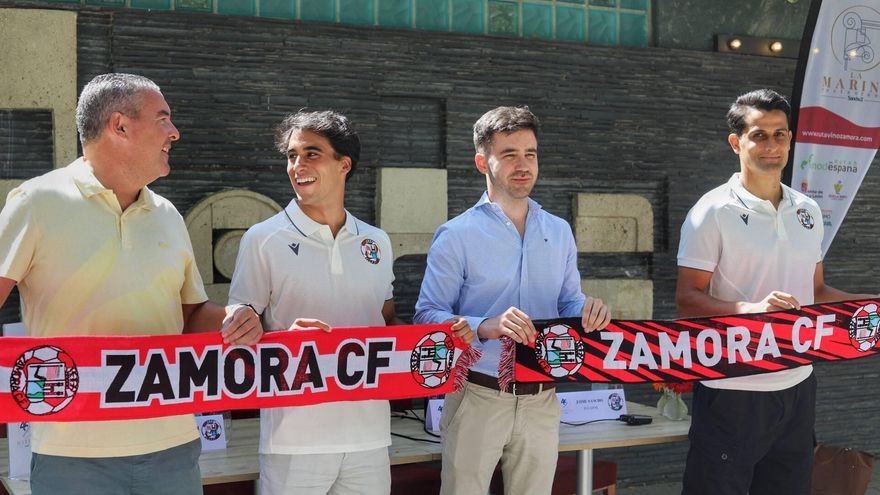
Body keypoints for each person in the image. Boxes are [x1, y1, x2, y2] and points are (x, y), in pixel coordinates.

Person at [0, 73, 263, 495]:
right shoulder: (35, 202)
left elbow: (191, 314)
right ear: (119, 126)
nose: (175, 132)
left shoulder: (169, 215)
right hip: (73, 454)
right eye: (163, 119)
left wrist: (235, 318)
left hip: (173, 446)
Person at [228, 109, 471, 495]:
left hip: (370, 438)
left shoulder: (377, 241)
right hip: (293, 440)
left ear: (344, 164)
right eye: (292, 155)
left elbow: (388, 323)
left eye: (312, 153)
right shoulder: (262, 239)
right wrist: (281, 338)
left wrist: (438, 337)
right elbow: (240, 336)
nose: (297, 165)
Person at [676, 88, 874, 495]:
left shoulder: (808, 210)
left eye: (780, 134)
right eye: (759, 135)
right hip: (733, 389)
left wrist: (871, 307)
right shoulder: (711, 211)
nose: (772, 145)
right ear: (736, 142)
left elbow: (815, 289)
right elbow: (687, 299)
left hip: (799, 383)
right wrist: (752, 309)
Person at [414, 106, 611, 495]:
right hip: (477, 395)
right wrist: (484, 326)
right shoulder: (456, 235)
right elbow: (425, 317)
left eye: (530, 154)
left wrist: (589, 309)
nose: (523, 165)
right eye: (509, 155)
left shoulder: (559, 231)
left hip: (544, 398)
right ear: (481, 162)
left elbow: (568, 302)